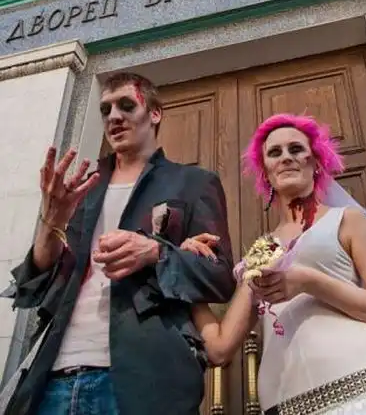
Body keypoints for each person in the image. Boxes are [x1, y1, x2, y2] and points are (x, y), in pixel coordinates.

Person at [184, 113, 366, 415]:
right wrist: (185, 271)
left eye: (296, 149)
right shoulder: (261, 251)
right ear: (265, 172)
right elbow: (219, 349)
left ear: (317, 162)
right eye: (275, 152)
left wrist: (310, 282)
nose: (286, 157)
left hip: (365, 395)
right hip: (287, 405)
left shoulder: (347, 221)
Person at [8, 72, 235, 415]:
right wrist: (51, 221)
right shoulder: (82, 190)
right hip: (52, 377)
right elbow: (36, 282)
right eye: (106, 109)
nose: (114, 116)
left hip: (144, 378)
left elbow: (220, 277)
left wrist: (155, 252)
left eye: (127, 105)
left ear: (155, 113)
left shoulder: (193, 183)